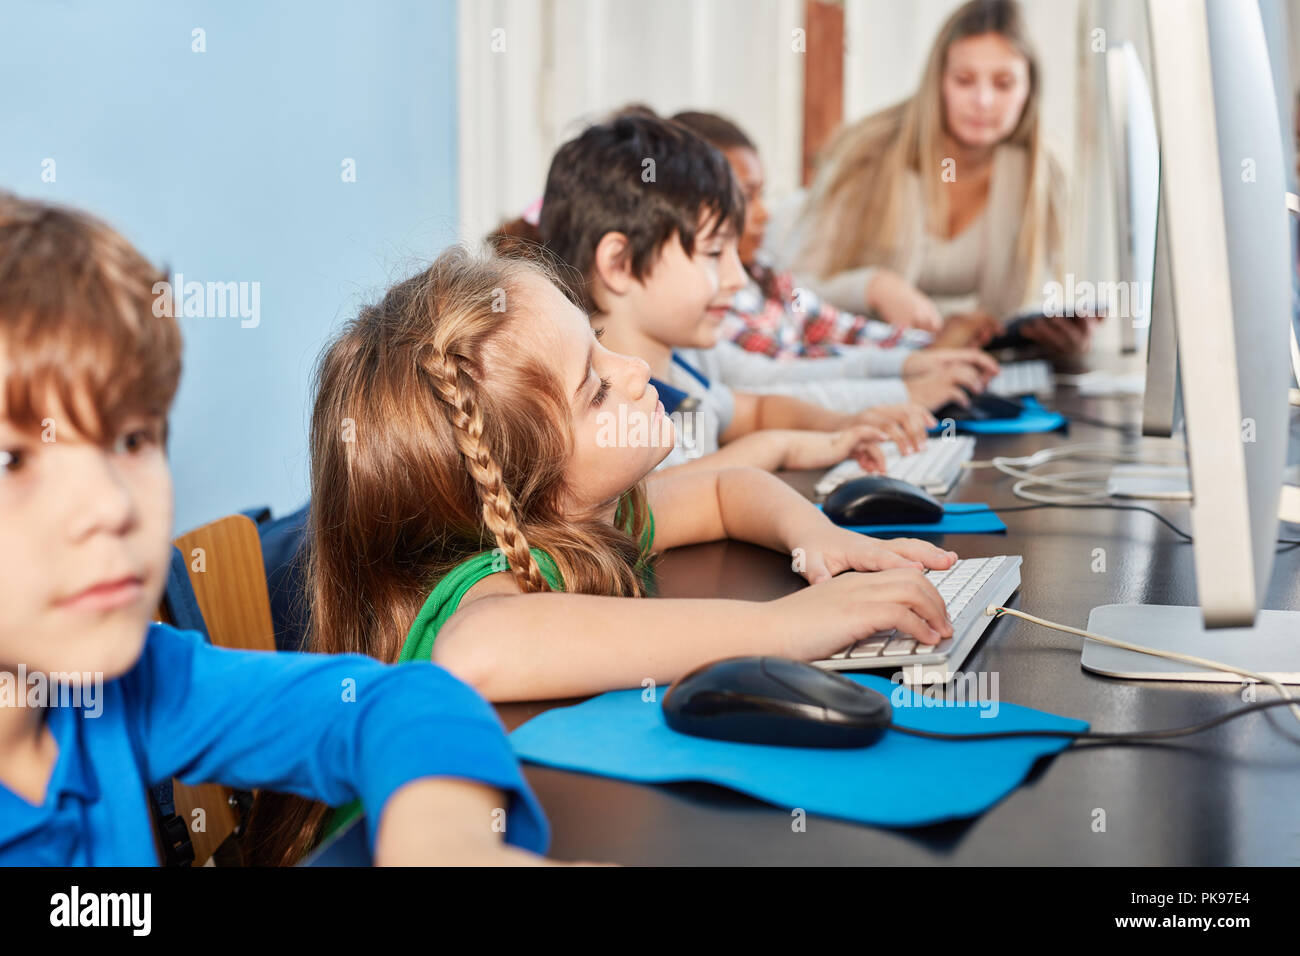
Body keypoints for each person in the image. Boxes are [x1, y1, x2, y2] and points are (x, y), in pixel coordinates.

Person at [778, 0, 1099, 361]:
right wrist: (873, 287)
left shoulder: (1043, 173)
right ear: (938, 81)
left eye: (1004, 83)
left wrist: (1068, 351)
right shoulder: (868, 154)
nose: (983, 100)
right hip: (855, 362)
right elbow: (789, 291)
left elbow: (1027, 305)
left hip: (948, 366)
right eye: (964, 80)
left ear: (1029, 91)